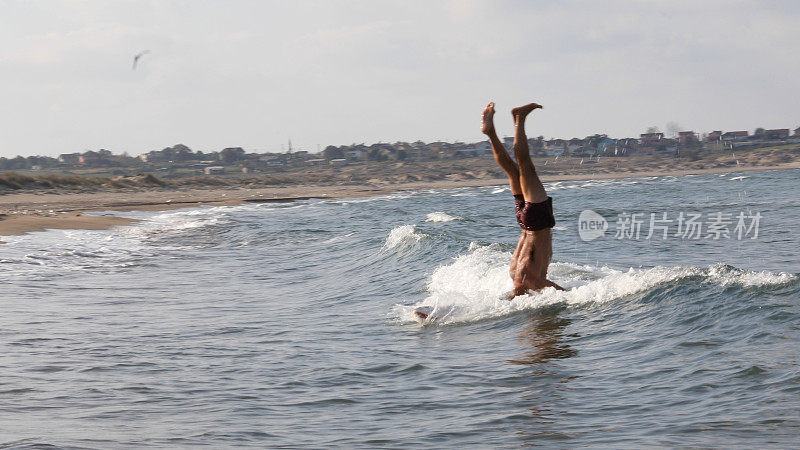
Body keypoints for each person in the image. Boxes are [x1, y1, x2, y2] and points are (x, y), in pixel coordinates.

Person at [481, 102, 565, 298]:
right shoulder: (515, 275)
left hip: (536, 221)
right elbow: (544, 285)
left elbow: (543, 284)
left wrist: (576, 296)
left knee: (525, 167)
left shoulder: (527, 279)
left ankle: (520, 119)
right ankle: (491, 132)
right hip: (524, 220)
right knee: (514, 170)